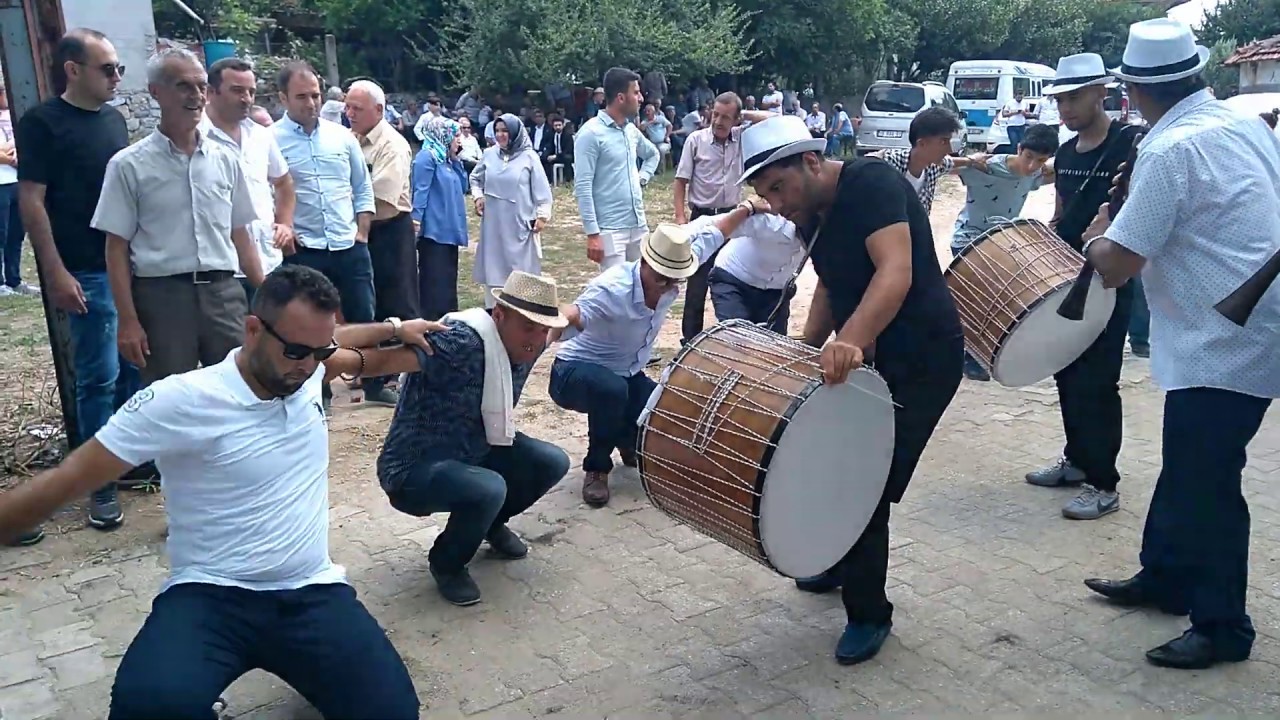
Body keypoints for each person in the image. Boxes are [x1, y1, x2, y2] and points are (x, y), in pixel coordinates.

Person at [0, 265, 446, 718]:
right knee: (147, 709)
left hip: (310, 591)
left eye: (320, 351)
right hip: (210, 595)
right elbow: (67, 480)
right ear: (252, 330)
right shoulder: (179, 401)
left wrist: (407, 333)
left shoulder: (307, 368)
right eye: (296, 351)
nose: (309, 365)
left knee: (391, 711)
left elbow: (369, 354)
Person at [1079, 18, 1280, 670]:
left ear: (1134, 90)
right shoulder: (1241, 124)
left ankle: (1223, 628)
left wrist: (1101, 230)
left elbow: (1114, 266)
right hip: (1240, 325)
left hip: (1223, 338)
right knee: (1190, 463)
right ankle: (1164, 577)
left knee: (1209, 481)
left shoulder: (1168, 152)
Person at [739, 115, 963, 665]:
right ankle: (841, 562)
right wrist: (806, 348)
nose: (776, 202)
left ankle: (869, 614)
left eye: (778, 187)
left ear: (811, 162)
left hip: (923, 360)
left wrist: (853, 340)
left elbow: (896, 272)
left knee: (866, 484)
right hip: (870, 362)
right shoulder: (814, 216)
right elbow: (833, 288)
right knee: (835, 464)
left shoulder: (872, 184)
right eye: (764, 193)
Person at [377, 271, 572, 606]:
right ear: (498, 315)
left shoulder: (533, 341)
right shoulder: (460, 342)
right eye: (528, 327)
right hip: (415, 467)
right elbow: (381, 360)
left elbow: (565, 317)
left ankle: (489, 525)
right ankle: (447, 563)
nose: (536, 339)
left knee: (551, 461)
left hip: (477, 448)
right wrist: (391, 331)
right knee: (489, 486)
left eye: (542, 329)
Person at [13, 29, 140, 535]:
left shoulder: (113, 120)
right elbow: (31, 201)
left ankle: (129, 463)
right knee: (98, 378)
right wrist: (55, 271)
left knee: (134, 371)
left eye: (118, 69)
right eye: (107, 68)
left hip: (127, 266)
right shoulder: (42, 123)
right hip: (83, 270)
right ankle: (99, 484)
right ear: (73, 70)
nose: (115, 77)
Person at [94, 48, 265, 394]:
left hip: (223, 294)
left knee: (238, 391)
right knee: (169, 397)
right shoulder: (129, 166)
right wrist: (128, 320)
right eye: (183, 86)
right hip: (162, 299)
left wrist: (266, 295)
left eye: (201, 86)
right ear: (156, 92)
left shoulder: (225, 160)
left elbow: (240, 235)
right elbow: (116, 248)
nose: (197, 96)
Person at [547, 215, 747, 507]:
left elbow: (716, 233)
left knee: (661, 410)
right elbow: (572, 313)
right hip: (572, 373)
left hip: (626, 373)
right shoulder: (611, 289)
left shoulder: (679, 264)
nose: (665, 287)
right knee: (611, 390)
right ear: (643, 262)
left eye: (673, 280)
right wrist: (536, 339)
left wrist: (748, 207)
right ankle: (597, 467)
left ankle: (627, 438)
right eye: (659, 278)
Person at [1024, 53, 1145, 520]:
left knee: (1098, 381)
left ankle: (1104, 482)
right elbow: (1060, 213)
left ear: (1101, 93)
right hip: (1067, 278)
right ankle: (1076, 462)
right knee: (1067, 372)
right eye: (1060, 100)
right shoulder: (1068, 153)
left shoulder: (1130, 144)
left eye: (1075, 97)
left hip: (1110, 280)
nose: (1066, 108)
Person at [272, 61, 388, 409]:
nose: (311, 103)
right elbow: (264, 192)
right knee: (308, 324)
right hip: (304, 248)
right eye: (302, 96)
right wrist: (283, 229)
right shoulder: (270, 141)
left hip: (347, 244)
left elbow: (362, 187)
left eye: (316, 95)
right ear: (283, 98)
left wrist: (362, 231)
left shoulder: (341, 137)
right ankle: (315, 390)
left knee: (364, 316)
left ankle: (374, 383)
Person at [950, 122, 1059, 381]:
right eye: (1028, 157)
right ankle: (968, 355)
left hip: (1002, 240)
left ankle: (982, 352)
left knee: (1001, 297)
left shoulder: (1034, 175)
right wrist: (967, 159)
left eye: (1040, 160)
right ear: (1019, 148)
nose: (1032, 165)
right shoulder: (985, 167)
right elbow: (943, 165)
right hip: (969, 238)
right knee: (979, 297)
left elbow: (1056, 172)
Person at [672, 93, 773, 345]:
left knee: (731, 277)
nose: (718, 121)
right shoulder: (696, 140)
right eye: (715, 114)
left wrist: (745, 115)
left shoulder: (742, 139)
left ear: (736, 120)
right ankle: (690, 341)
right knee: (696, 284)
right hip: (702, 216)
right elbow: (680, 180)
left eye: (726, 117)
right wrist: (680, 216)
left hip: (734, 217)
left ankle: (730, 338)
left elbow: (774, 120)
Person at [200, 57, 296, 306]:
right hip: (222, 270)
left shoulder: (261, 136)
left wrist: (284, 223)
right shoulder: (195, 138)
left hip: (268, 260)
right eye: (237, 90)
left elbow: (284, 182)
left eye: (251, 92)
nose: (246, 98)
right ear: (211, 92)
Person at [346, 79, 419, 322]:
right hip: (359, 229)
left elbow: (382, 198)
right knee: (364, 301)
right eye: (348, 107)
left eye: (357, 109)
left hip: (389, 231)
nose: (350, 114)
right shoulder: (348, 139)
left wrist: (342, 200)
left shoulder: (392, 145)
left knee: (396, 302)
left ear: (379, 110)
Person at [573, 67, 660, 271]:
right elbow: (583, 186)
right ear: (621, 97)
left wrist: (642, 178)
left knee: (643, 289)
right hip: (610, 229)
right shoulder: (591, 133)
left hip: (638, 224)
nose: (640, 98)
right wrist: (592, 234)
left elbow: (653, 154)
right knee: (615, 294)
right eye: (636, 92)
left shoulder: (630, 130)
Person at [471, 114, 553, 305]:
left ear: (515, 133)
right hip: (494, 224)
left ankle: (522, 312)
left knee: (521, 272)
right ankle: (494, 311)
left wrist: (542, 216)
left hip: (519, 223)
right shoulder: (489, 154)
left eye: (505, 131)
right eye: (497, 131)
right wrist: (478, 196)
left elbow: (542, 191)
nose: (500, 135)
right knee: (494, 266)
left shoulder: (529, 157)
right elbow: (475, 178)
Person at [696, 205, 806, 333]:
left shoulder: (822, 234)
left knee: (774, 346)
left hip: (776, 292)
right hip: (733, 278)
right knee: (738, 337)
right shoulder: (771, 222)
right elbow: (708, 224)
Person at [872, 107, 986, 213]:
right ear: (921, 143)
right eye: (943, 142)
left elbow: (951, 162)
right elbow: (866, 163)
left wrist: (972, 160)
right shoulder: (889, 164)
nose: (949, 149)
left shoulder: (932, 168)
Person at [412, 115, 470, 320]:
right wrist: (415, 222)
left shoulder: (446, 160)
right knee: (434, 282)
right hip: (433, 232)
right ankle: (432, 321)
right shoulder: (426, 158)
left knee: (448, 280)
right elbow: (420, 191)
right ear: (443, 135)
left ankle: (448, 320)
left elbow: (464, 187)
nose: (459, 141)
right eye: (455, 136)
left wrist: (457, 161)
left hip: (450, 231)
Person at [0, 78, 38, 298]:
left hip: (16, 180)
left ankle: (14, 279)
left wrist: (11, 154)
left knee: (16, 233)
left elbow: (19, 144)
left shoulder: (12, 118)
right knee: (0, 235)